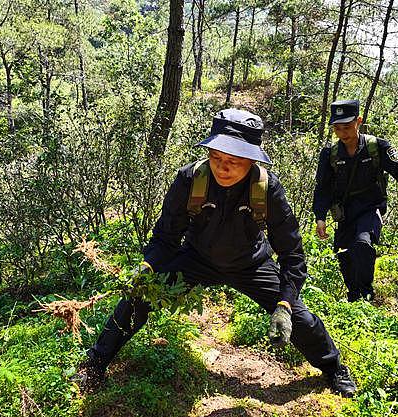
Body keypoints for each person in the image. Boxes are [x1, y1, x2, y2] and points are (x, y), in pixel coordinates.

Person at [75, 108, 357, 397]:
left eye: (233, 161)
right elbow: (166, 236)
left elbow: (292, 254)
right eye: (216, 157)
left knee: (301, 319)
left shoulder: (267, 189)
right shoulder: (190, 179)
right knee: (138, 297)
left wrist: (284, 305)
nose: (223, 168)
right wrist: (147, 267)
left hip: (251, 264)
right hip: (197, 259)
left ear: (251, 160)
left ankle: (334, 368)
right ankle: (95, 364)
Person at [312, 99, 398, 302]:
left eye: (347, 126)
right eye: (337, 128)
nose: (342, 132)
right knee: (344, 255)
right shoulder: (330, 155)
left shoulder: (377, 147)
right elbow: (323, 188)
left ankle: (366, 293)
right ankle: (354, 297)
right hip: (344, 213)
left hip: (371, 208)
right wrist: (320, 216)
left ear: (359, 121)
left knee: (363, 244)